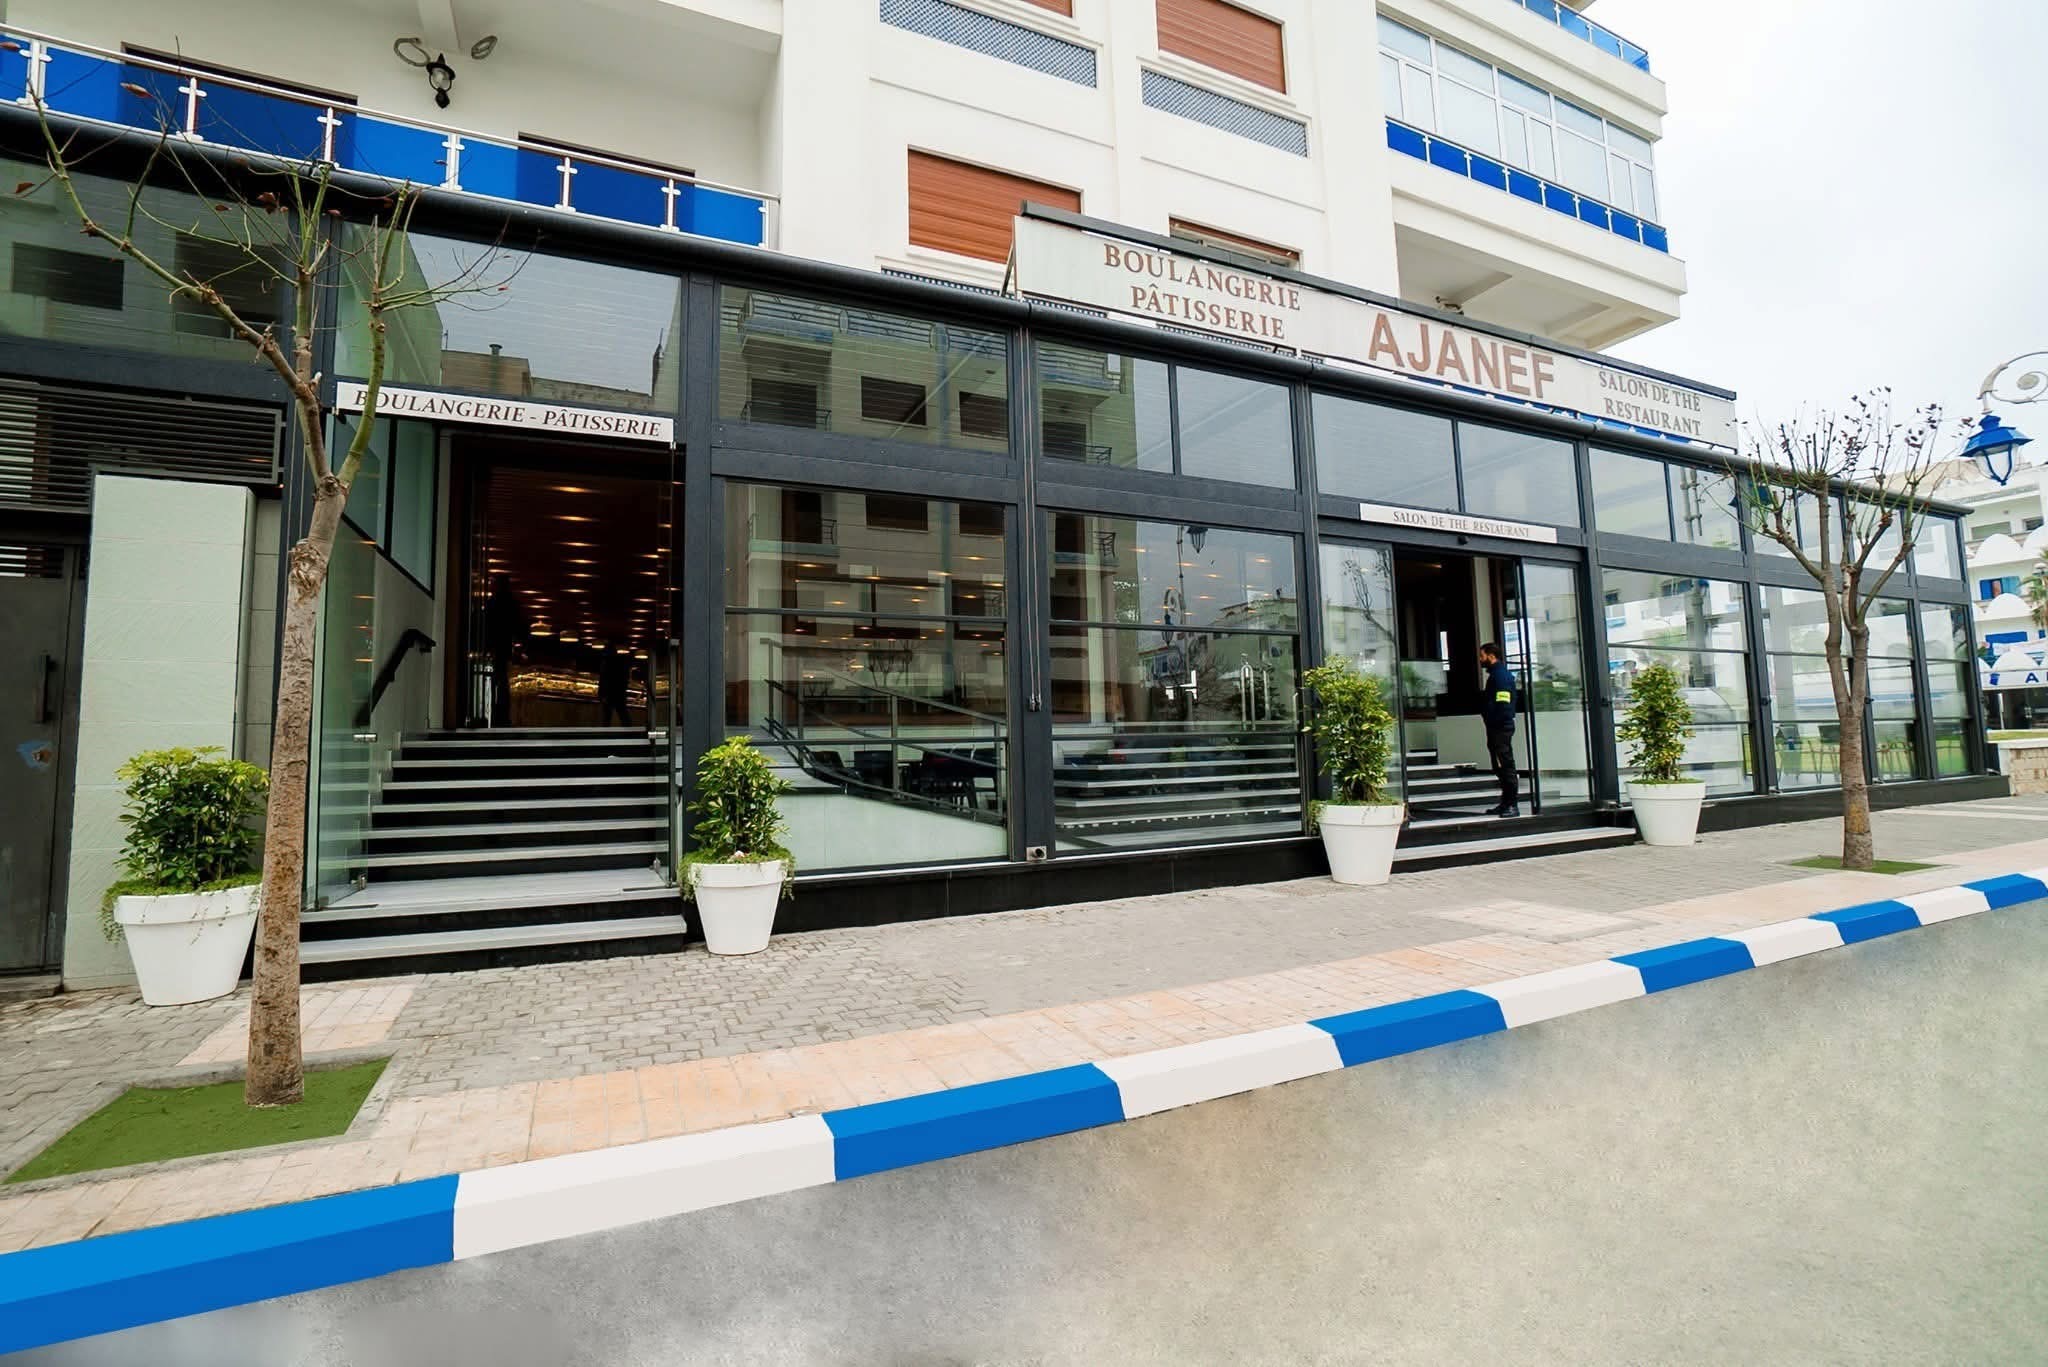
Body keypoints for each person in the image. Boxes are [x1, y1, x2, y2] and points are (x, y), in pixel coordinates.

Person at [1478, 642, 1519, 818]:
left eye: (1482, 656)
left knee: (1505, 765)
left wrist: (1495, 721)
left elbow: (1503, 702)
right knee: (1500, 765)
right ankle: (1505, 803)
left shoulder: (1500, 676)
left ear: (1491, 656)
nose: (1480, 659)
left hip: (1500, 727)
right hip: (1498, 726)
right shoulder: (1497, 674)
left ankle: (1511, 805)